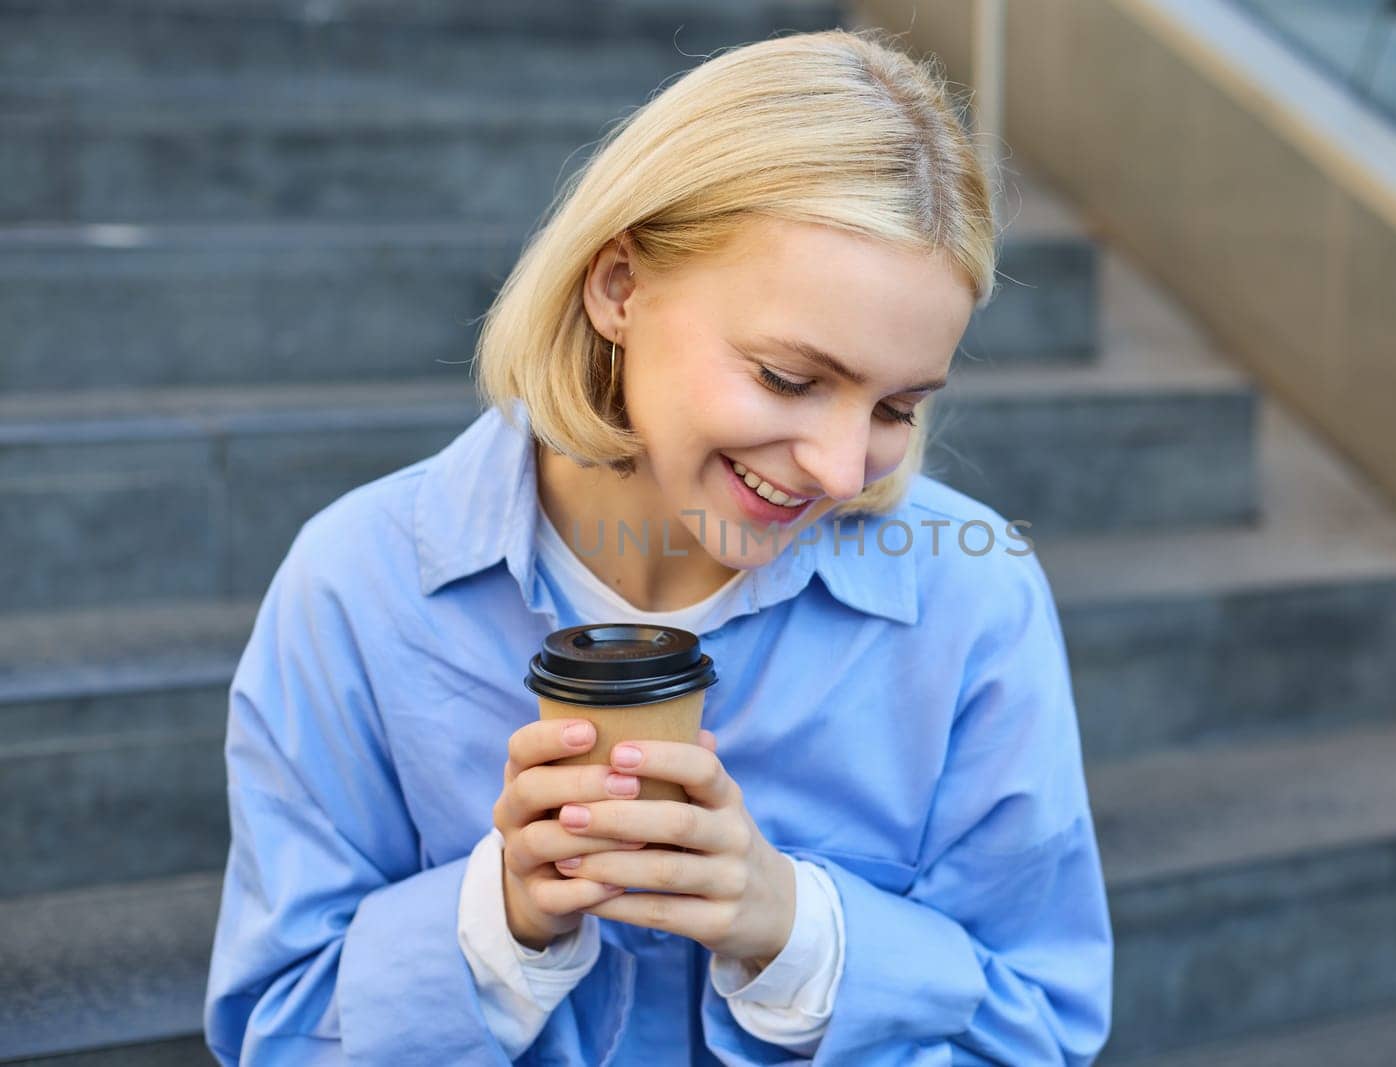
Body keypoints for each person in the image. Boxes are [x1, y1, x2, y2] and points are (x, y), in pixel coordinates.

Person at [203, 26, 1113, 1066]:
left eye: (897, 406)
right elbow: (273, 1032)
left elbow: (1038, 1028)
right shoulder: (359, 584)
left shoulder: (973, 596)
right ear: (619, 288)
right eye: (787, 377)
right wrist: (499, 920)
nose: (839, 468)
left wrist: (796, 930)